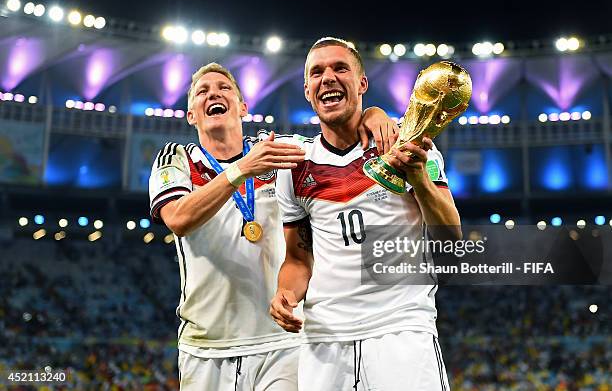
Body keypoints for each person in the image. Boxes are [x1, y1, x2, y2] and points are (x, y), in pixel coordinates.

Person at [148, 62, 398, 390]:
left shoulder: (278, 151)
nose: (213, 94)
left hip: (282, 343)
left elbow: (338, 140)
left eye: (224, 88)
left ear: (242, 106)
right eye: (202, 92)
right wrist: (240, 170)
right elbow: (178, 219)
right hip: (206, 347)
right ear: (191, 114)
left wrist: (371, 115)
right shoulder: (176, 158)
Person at [270, 37, 461, 390]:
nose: (327, 77)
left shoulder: (409, 144)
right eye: (317, 72)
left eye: (340, 68)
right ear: (308, 91)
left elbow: (451, 238)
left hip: (400, 327)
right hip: (324, 337)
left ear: (362, 84)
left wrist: (418, 177)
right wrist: (286, 292)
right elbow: (298, 258)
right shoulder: (294, 167)